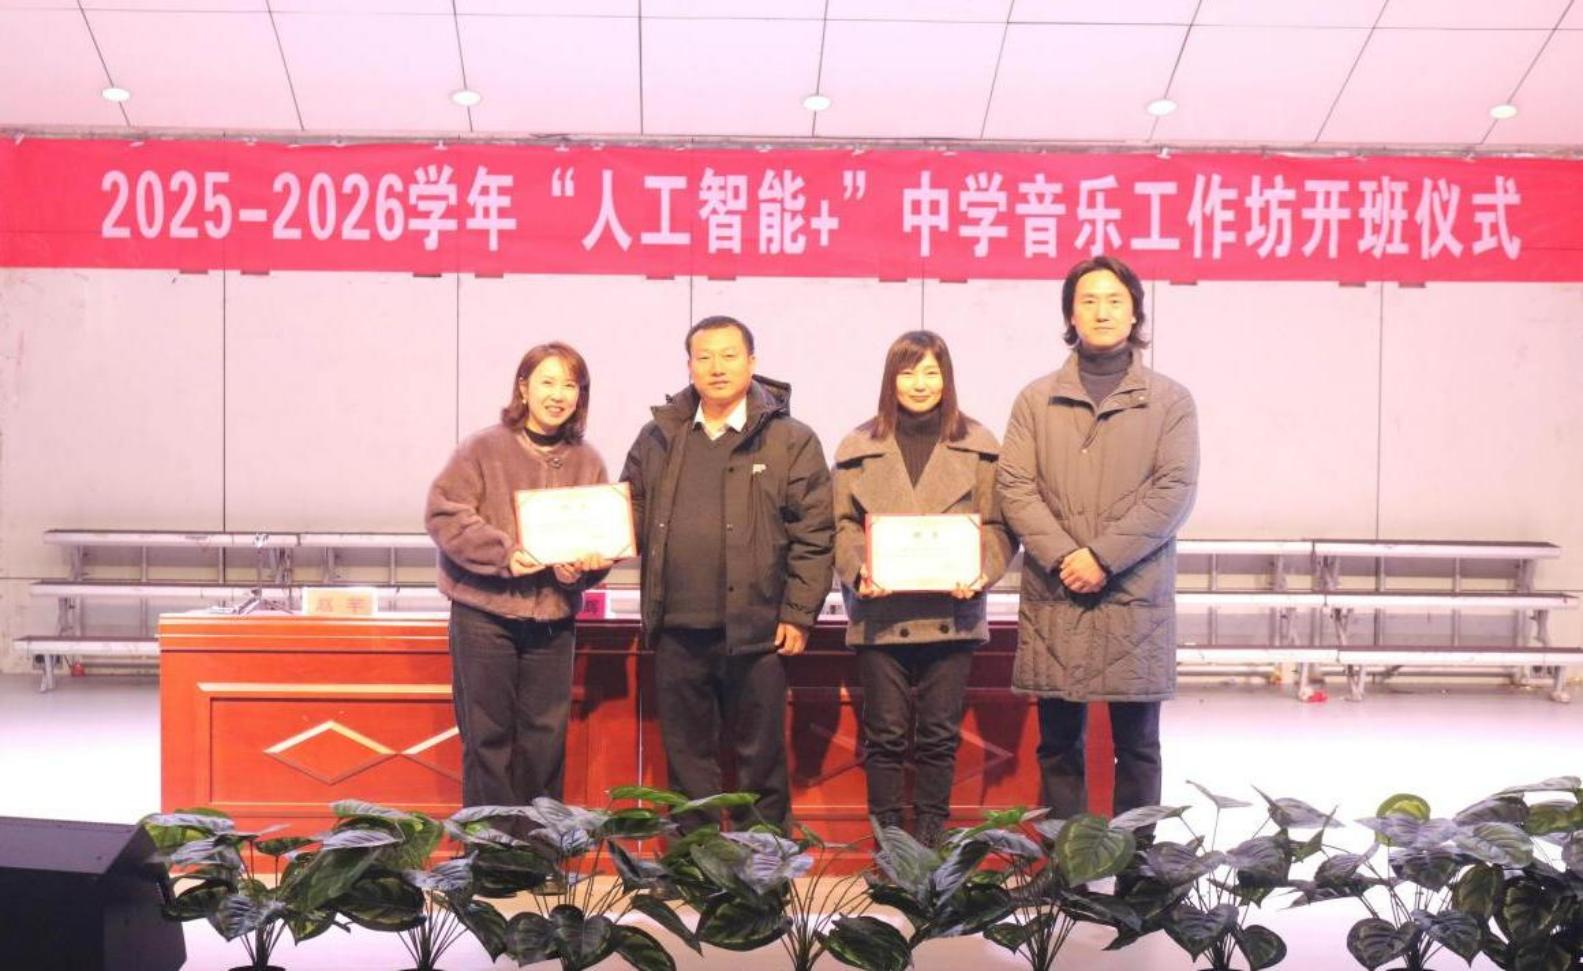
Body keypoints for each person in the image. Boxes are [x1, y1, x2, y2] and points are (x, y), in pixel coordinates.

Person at [996, 255, 1199, 822]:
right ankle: (1069, 863)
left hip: (1133, 595)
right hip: (1057, 593)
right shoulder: (1035, 400)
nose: (1102, 311)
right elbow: (1014, 487)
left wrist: (1103, 558)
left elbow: (1174, 492)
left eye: (1114, 300)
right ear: (1070, 314)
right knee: (1059, 744)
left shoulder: (1170, 401)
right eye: (1088, 300)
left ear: (1135, 313)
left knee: (1138, 747)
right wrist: (1067, 557)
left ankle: (1137, 868)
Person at [621, 315, 834, 831]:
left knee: (761, 761)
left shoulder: (790, 440)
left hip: (758, 632)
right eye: (705, 357)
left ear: (752, 363)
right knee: (687, 764)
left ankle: (765, 867)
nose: (717, 367)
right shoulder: (658, 437)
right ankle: (695, 864)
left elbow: (815, 534)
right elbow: (627, 512)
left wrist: (798, 613)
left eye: (729, 355)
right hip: (676, 629)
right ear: (690, 367)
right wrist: (584, 542)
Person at [831, 331, 1016, 848]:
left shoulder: (980, 446)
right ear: (890, 379)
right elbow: (841, 525)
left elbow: (1000, 525)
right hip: (879, 614)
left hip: (953, 613)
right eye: (908, 372)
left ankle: (931, 848)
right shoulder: (857, 447)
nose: (920, 384)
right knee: (885, 738)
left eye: (932, 372)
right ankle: (890, 850)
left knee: (938, 737)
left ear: (947, 379)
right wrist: (859, 570)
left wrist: (982, 570)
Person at [425, 342, 611, 810]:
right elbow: (445, 514)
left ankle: (539, 845)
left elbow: (601, 541)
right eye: (547, 382)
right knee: (487, 739)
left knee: (545, 739)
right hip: (483, 615)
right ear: (523, 388)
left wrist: (578, 571)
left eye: (570, 385)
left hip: (552, 621)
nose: (558, 394)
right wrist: (505, 554)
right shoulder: (482, 448)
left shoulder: (588, 460)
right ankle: (490, 846)